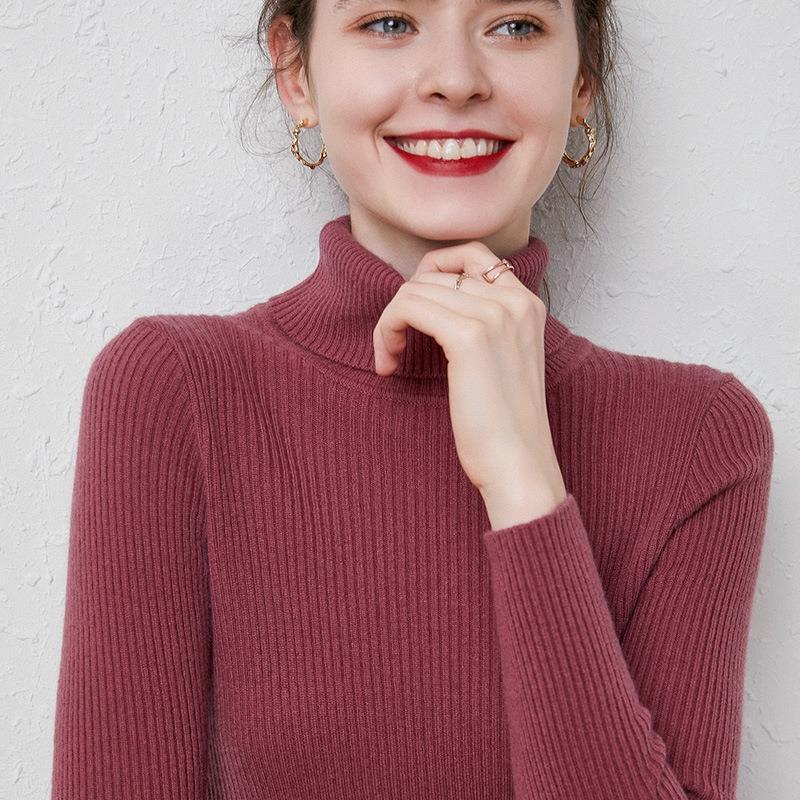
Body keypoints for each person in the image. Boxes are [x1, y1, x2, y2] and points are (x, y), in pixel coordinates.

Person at [50, 1, 775, 798]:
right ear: (297, 73)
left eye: (515, 25)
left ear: (583, 82)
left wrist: (524, 483)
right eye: (390, 22)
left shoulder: (701, 438)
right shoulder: (175, 390)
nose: (456, 80)